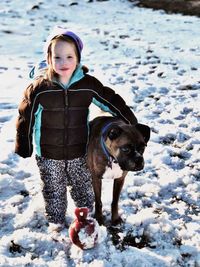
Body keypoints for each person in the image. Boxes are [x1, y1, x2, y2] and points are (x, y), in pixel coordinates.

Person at [15, 26, 138, 231]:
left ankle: (85, 217)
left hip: (79, 149)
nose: (64, 63)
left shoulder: (87, 85)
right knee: (54, 189)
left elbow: (110, 99)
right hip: (48, 152)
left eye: (69, 57)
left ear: (78, 58)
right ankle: (55, 221)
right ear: (49, 59)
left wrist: (130, 122)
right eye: (58, 57)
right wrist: (25, 145)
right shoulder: (39, 89)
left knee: (82, 186)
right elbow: (25, 116)